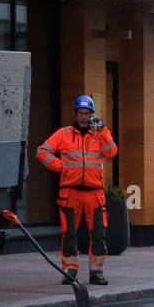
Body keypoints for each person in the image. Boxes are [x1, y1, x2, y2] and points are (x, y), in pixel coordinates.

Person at [36, 95, 118, 285]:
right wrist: (61, 167)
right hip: (70, 192)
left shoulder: (99, 134)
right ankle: (69, 271)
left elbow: (112, 152)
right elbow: (42, 151)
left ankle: (96, 272)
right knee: (69, 233)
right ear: (75, 114)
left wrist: (104, 129)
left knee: (98, 234)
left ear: (92, 115)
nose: (83, 117)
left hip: (94, 194)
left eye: (87, 113)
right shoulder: (63, 134)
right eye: (80, 113)